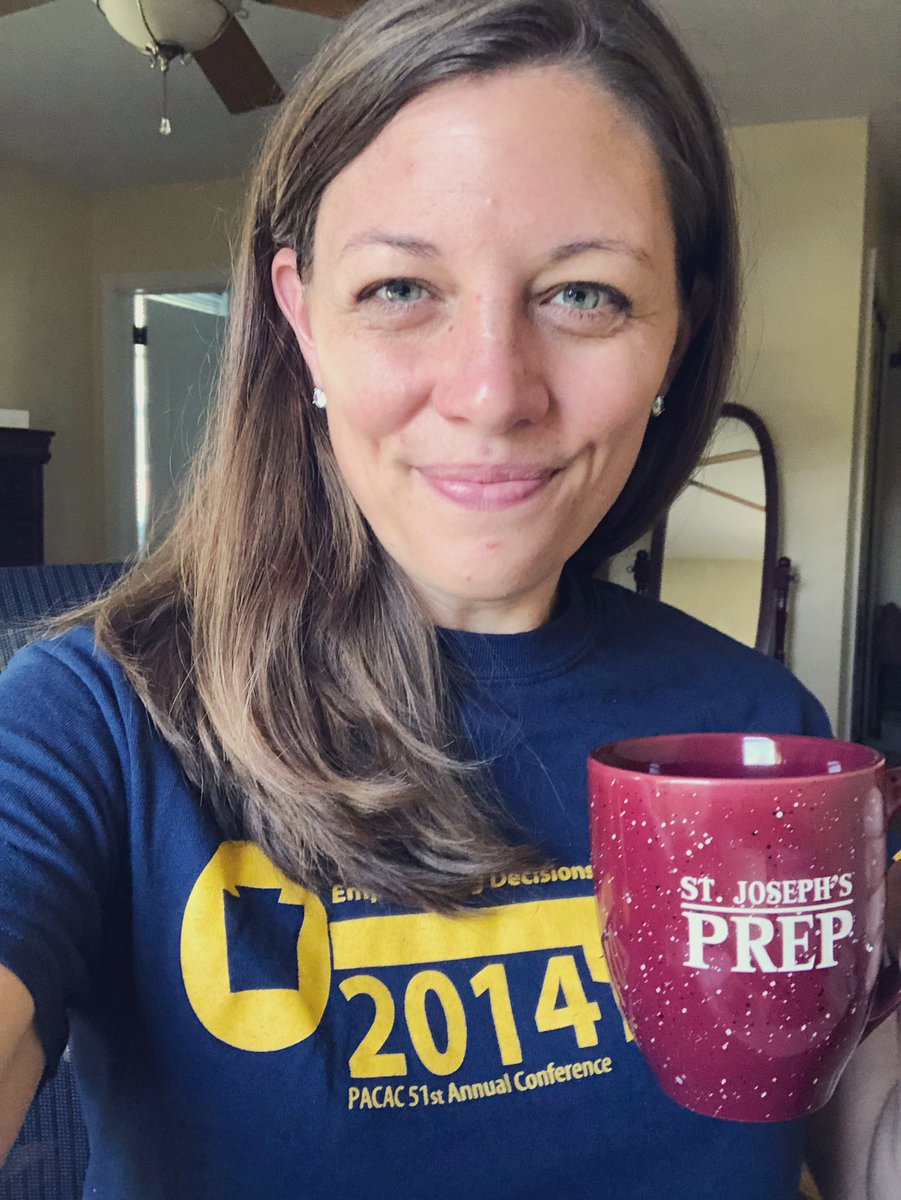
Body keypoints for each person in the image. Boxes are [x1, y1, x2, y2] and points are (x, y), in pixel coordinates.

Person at [0, 0, 885, 1196]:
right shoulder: (88, 722)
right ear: (301, 321)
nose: (490, 392)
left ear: (676, 334)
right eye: (400, 288)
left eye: (583, 294)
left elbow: (853, 1116)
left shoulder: (762, 725)